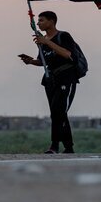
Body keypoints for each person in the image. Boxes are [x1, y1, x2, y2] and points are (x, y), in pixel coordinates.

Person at [18, 11, 80, 154]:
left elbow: (68, 54)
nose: (38, 23)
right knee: (56, 113)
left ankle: (54, 146)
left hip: (66, 78)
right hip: (50, 80)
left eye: (41, 20)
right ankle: (69, 147)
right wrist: (31, 61)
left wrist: (48, 42)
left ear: (51, 21)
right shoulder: (43, 40)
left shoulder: (63, 36)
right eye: (38, 21)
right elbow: (43, 61)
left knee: (59, 111)